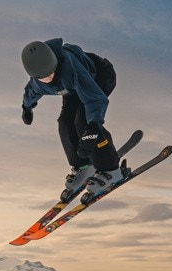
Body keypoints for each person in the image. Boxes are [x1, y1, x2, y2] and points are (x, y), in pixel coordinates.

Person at [20, 39, 129, 203]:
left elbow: (95, 100)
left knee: (84, 121)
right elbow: (30, 93)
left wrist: (92, 130)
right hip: (71, 90)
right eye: (44, 77)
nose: (50, 77)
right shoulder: (37, 83)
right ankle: (84, 167)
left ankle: (111, 170)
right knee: (64, 122)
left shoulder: (70, 69)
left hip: (99, 76)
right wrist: (26, 108)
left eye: (52, 72)